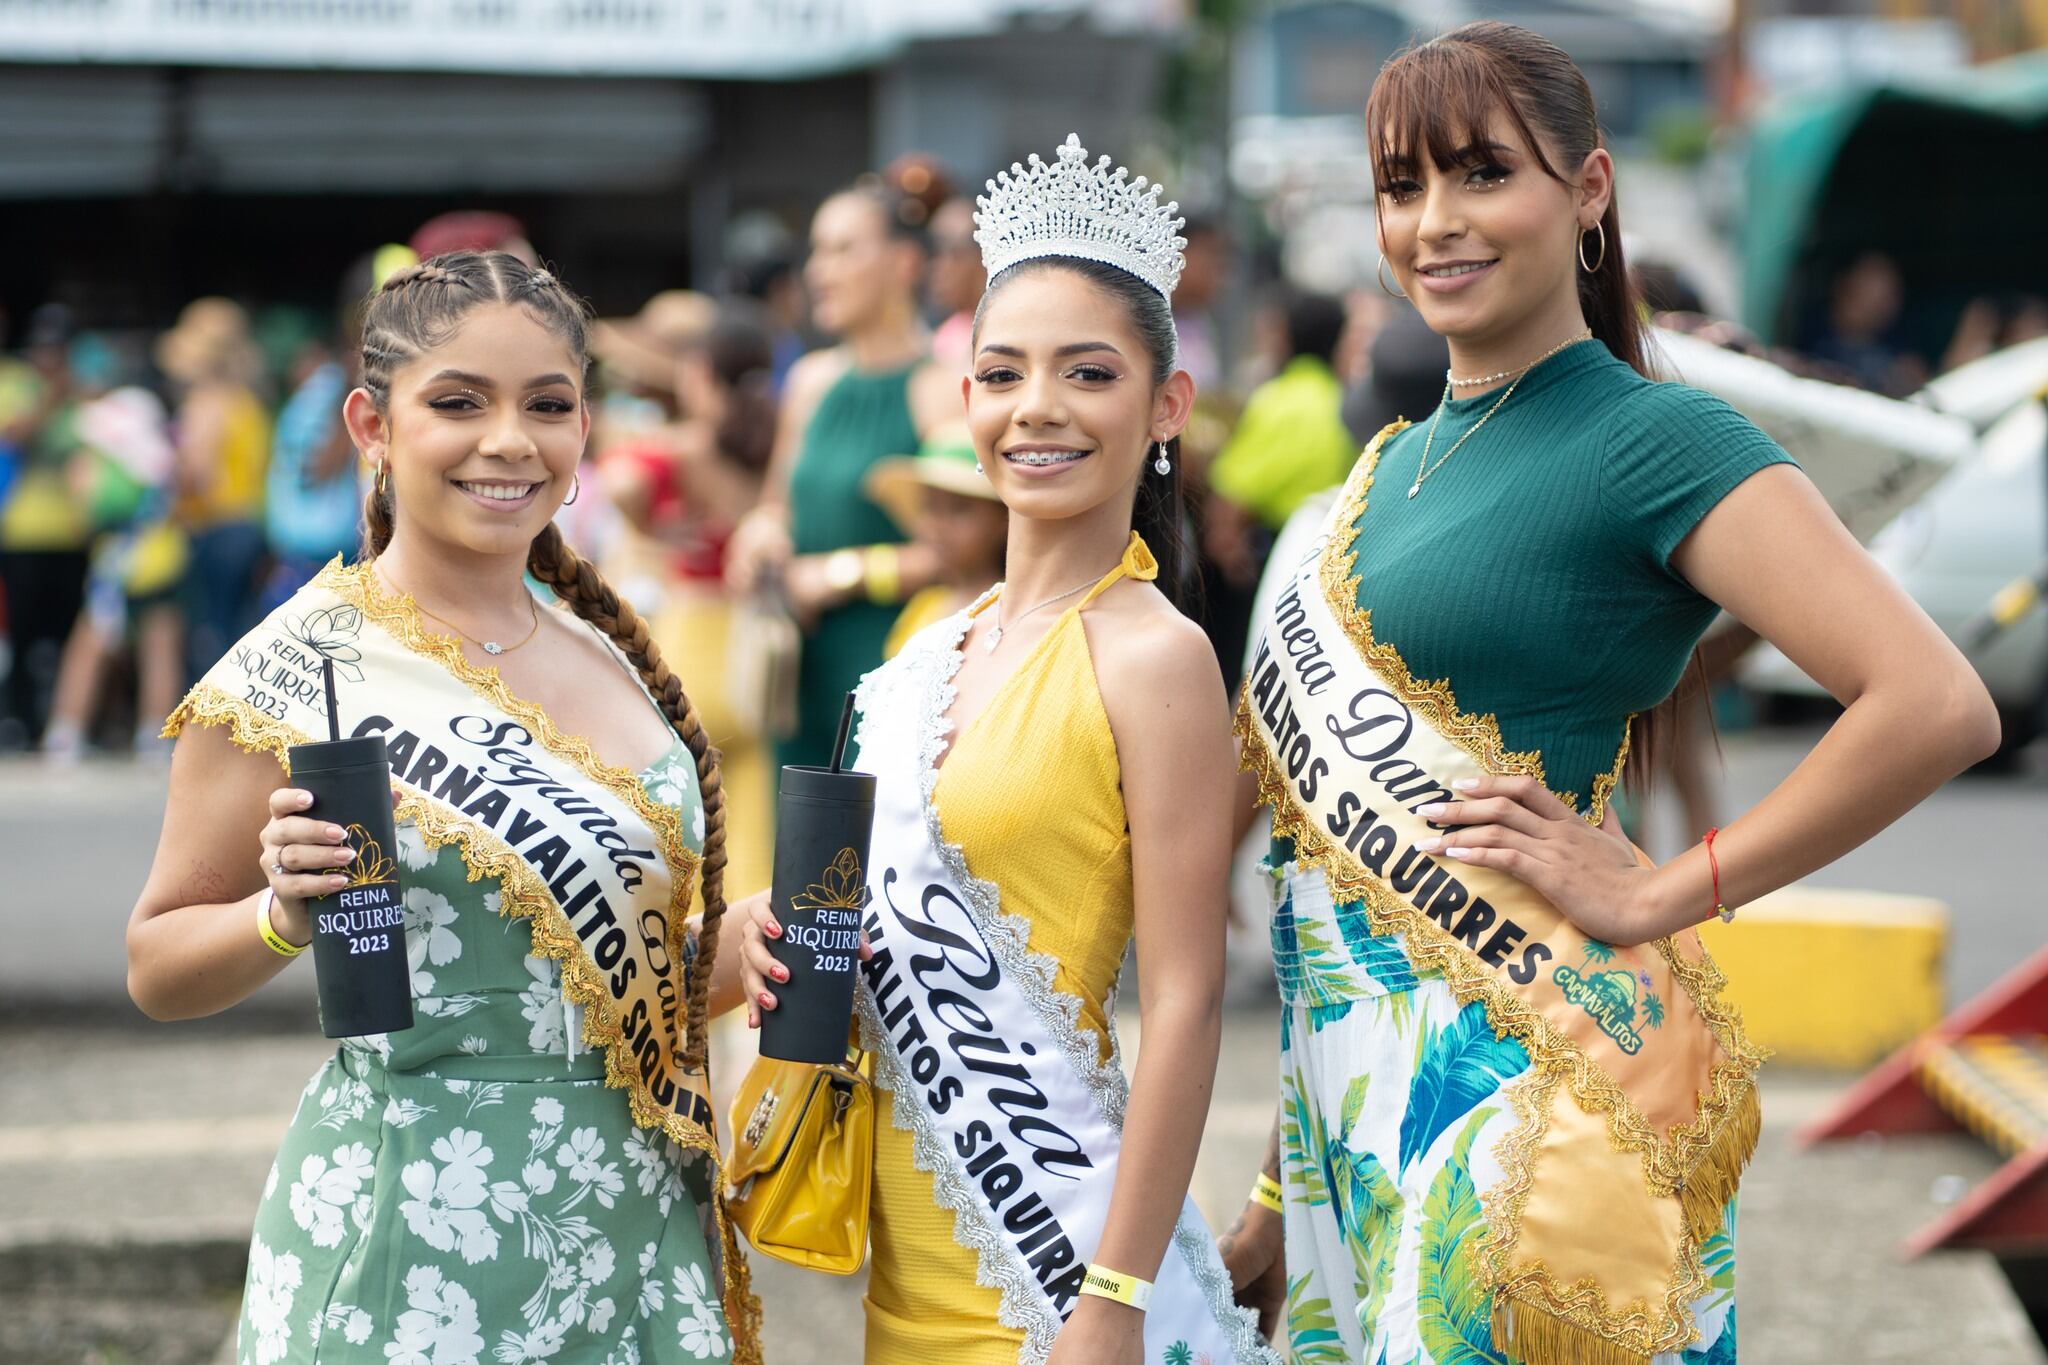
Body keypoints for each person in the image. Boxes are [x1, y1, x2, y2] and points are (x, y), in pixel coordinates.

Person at [1217, 24, 1999, 1365]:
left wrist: (1661, 890)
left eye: (1482, 175)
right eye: (1403, 188)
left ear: (1586, 193)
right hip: (1358, 1105)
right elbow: (1321, 868)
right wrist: (1283, 1185)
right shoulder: (1393, 463)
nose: (1436, 224)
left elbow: (1933, 703)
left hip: (1532, 1094)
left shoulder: (1653, 437)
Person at [127, 252, 761, 1364]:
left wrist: (739, 948)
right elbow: (158, 965)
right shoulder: (297, 666)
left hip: (634, 1226)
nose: (509, 439)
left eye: (548, 405)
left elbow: (613, 983)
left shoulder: (610, 651)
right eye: (459, 402)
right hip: (412, 1239)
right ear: (371, 424)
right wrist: (282, 913)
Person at [720, 133, 1273, 1365]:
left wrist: (1115, 1297)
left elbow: (1181, 1003)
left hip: (1059, 1272)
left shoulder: (1153, 655)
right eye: (1002, 372)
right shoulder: (918, 656)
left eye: (1087, 374)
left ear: (1163, 406)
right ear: (962, 396)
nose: (1038, 409)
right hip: (902, 1270)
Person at [724, 176, 956, 770]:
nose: (817, 270)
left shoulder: (940, 392)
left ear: (904, 262)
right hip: (801, 668)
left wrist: (840, 574)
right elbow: (778, 504)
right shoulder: (810, 382)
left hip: (892, 661)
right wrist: (759, 535)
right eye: (817, 251)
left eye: (843, 249)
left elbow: (966, 554)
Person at [159, 297, 272, 681]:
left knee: (211, 636)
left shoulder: (206, 402)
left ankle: (214, 734)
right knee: (240, 631)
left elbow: (196, 473)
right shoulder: (249, 401)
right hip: (248, 525)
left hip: (212, 528)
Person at [865, 423, 1007, 657]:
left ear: (1004, 518)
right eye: (930, 507)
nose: (937, 526)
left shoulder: (1004, 613)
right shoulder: (924, 606)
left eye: (959, 509)